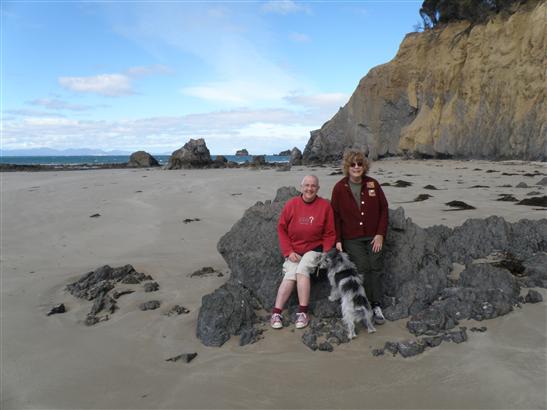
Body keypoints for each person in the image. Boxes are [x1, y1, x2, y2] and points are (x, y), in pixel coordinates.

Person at [330, 150, 388, 325]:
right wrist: (338, 239)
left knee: (376, 265)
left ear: (364, 167)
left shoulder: (373, 184)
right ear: (348, 167)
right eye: (353, 164)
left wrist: (380, 234)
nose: (356, 167)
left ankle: (376, 304)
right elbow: (335, 216)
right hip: (352, 237)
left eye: (360, 164)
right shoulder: (339, 188)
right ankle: (366, 304)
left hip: (373, 235)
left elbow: (384, 210)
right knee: (363, 267)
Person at [271, 175, 336, 330]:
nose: (309, 189)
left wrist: (326, 252)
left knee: (302, 268)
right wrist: (288, 251)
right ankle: (276, 312)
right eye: (306, 185)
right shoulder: (291, 204)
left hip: (315, 250)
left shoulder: (325, 206)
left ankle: (303, 312)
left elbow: (330, 233)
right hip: (295, 250)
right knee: (290, 273)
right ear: (301, 187)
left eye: (313, 186)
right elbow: (281, 229)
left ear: (318, 188)